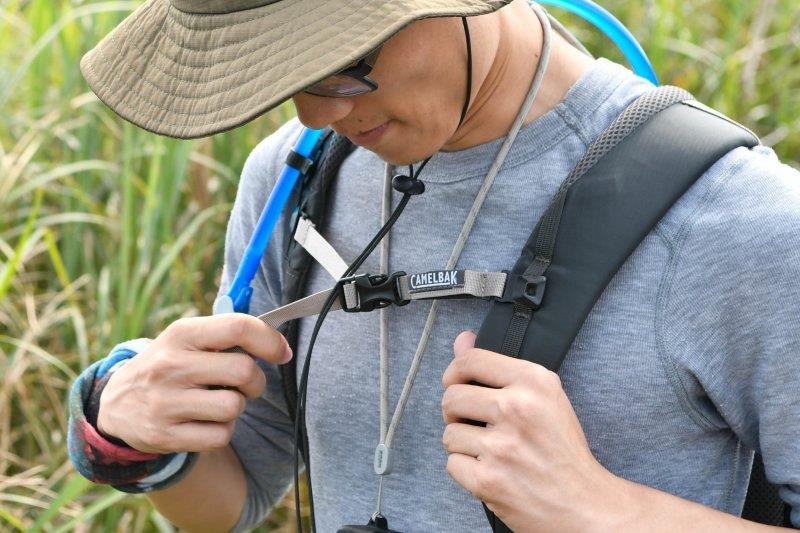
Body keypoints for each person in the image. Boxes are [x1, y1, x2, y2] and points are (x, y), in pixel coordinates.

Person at [67, 0, 800, 531]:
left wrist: (601, 509)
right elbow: (241, 492)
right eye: (279, 75)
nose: (317, 112)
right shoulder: (292, 180)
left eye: (341, 62)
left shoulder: (738, 220)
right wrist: (129, 437)